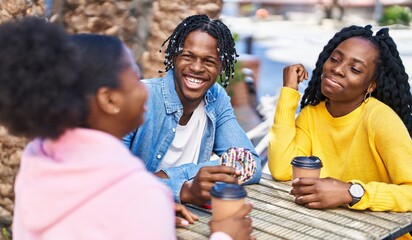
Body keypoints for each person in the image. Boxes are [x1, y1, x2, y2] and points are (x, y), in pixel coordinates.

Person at [0, 17, 254, 240]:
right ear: (109, 100)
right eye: (134, 77)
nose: (144, 88)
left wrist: (159, 195)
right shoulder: (139, 195)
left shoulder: (38, 155)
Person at [268, 23, 412, 224]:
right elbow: (282, 169)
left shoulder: (380, 119)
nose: (337, 69)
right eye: (335, 59)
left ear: (371, 85)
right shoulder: (311, 115)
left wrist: (351, 192)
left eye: (354, 69)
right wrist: (289, 91)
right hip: (325, 226)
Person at [123, 14, 262, 205]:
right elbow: (109, 179)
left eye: (209, 61)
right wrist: (183, 189)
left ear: (221, 67)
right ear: (174, 57)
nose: (197, 68)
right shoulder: (140, 97)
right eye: (188, 57)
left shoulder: (216, 98)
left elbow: (249, 163)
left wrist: (170, 176)